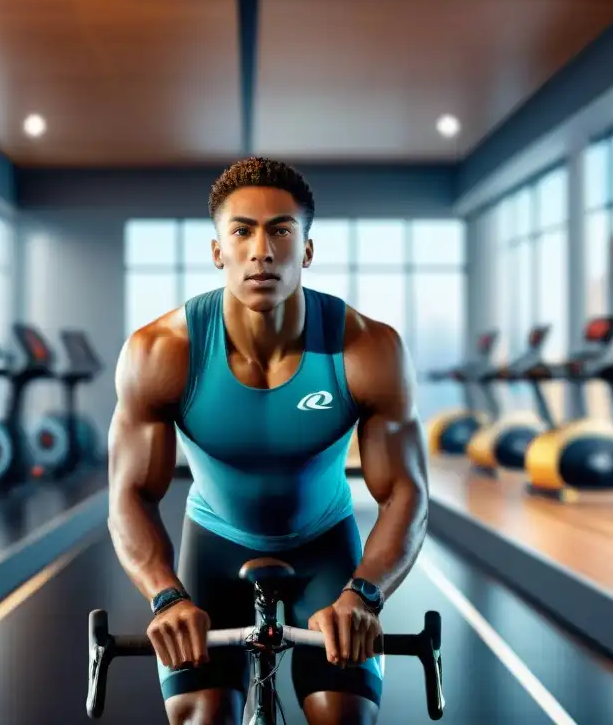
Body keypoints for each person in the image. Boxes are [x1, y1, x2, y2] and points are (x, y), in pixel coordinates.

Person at [108, 157, 430, 725]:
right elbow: (128, 495)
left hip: (326, 553)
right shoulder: (161, 353)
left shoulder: (368, 350)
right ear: (217, 251)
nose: (262, 249)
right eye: (242, 231)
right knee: (200, 718)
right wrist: (166, 596)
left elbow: (407, 492)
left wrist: (366, 595)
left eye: (281, 230)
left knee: (346, 718)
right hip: (214, 548)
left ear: (306, 250)